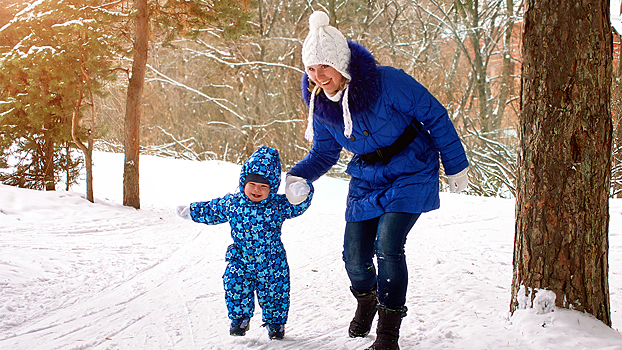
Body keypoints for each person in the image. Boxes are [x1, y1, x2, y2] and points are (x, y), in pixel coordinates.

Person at [285, 11, 469, 350]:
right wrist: (297, 176)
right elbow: (324, 154)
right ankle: (367, 301)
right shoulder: (321, 107)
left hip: (412, 166)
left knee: (388, 246)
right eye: (311, 69)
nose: (319, 76)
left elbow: (435, 114)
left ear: (341, 63)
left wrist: (456, 165)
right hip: (367, 177)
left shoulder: (388, 81)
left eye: (324, 66)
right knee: (353, 257)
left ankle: (387, 335)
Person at [177, 146, 313, 340]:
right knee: (234, 284)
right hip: (240, 257)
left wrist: (303, 192)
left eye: (264, 186)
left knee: (275, 292)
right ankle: (239, 319)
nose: (257, 189)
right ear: (244, 182)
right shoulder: (233, 203)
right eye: (253, 184)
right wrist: (191, 211)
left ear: (272, 187)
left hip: (272, 260)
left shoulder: (277, 206)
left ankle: (275, 324)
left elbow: (297, 204)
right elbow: (212, 210)